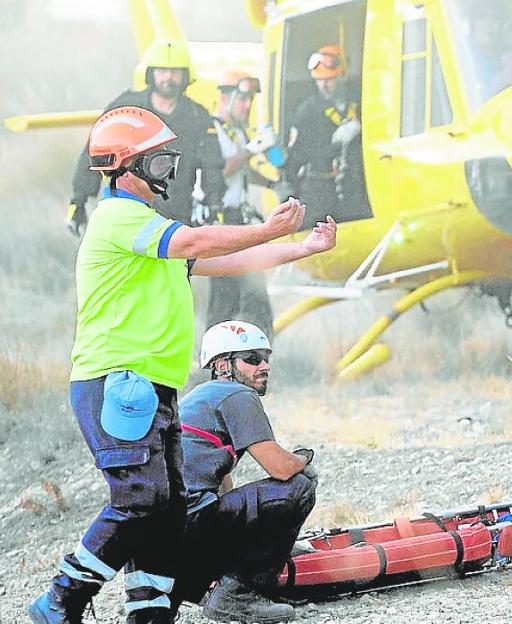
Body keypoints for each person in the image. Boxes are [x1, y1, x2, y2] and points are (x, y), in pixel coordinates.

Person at [28, 106, 336, 624]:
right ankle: (60, 600)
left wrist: (299, 247)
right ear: (126, 168)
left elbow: (222, 261)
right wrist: (264, 228)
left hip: (152, 387)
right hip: (117, 383)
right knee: (142, 499)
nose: (171, 170)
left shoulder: (147, 230)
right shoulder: (120, 217)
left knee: (167, 510)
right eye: (159, 160)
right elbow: (195, 241)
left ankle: (149, 614)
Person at [171, 321, 316, 623]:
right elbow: (281, 467)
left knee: (254, 498)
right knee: (301, 484)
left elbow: (219, 479)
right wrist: (305, 457)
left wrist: (268, 539)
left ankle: (235, 577)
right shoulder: (236, 395)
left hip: (168, 538)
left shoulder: (203, 396)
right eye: (252, 358)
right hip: (189, 527)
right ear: (223, 365)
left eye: (266, 357)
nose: (264, 366)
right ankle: (237, 595)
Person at [67, 38, 225, 233]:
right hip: (127, 215)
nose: (168, 77)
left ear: (186, 76)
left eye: (176, 71)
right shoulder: (125, 109)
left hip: (176, 218)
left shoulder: (197, 116)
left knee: (175, 264)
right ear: (150, 73)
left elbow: (213, 164)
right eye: (162, 71)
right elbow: (95, 153)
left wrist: (215, 203)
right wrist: (79, 200)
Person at [200, 71, 276, 336]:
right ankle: (212, 362)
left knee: (252, 298)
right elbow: (220, 170)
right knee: (226, 298)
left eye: (250, 100)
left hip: (239, 221)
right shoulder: (213, 130)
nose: (248, 106)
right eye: (242, 99)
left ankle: (252, 361)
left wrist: (271, 183)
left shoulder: (238, 131)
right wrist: (250, 150)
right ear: (224, 97)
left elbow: (242, 169)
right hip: (221, 221)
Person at [283, 44, 368, 227]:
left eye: (330, 79)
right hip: (319, 187)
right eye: (319, 80)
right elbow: (297, 156)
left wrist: (360, 128)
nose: (324, 85)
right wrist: (334, 146)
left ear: (341, 75)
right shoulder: (307, 111)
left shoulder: (359, 101)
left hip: (353, 186)